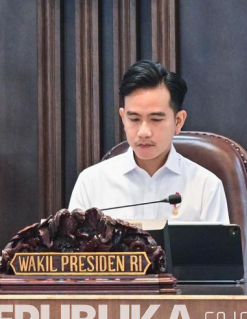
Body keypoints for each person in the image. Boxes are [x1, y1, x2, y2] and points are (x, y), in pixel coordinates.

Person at [68, 59, 229, 223]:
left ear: (178, 121)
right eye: (134, 119)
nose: (144, 132)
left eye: (156, 119)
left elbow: (218, 249)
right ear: (123, 118)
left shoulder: (206, 187)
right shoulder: (91, 183)